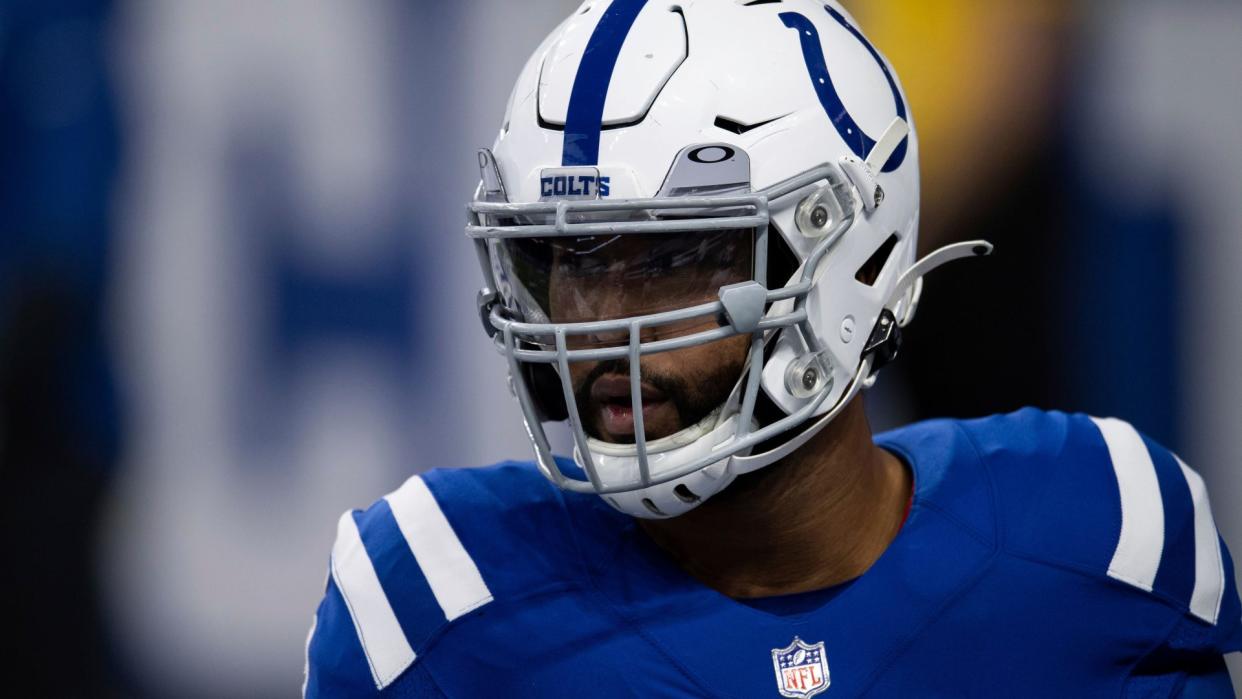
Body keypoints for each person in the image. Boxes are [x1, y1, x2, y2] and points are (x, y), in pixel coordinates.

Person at [304, 1, 1240, 696]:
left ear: (849, 253)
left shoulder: (1101, 535)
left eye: (675, 253)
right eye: (567, 254)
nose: (596, 319)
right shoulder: (436, 599)